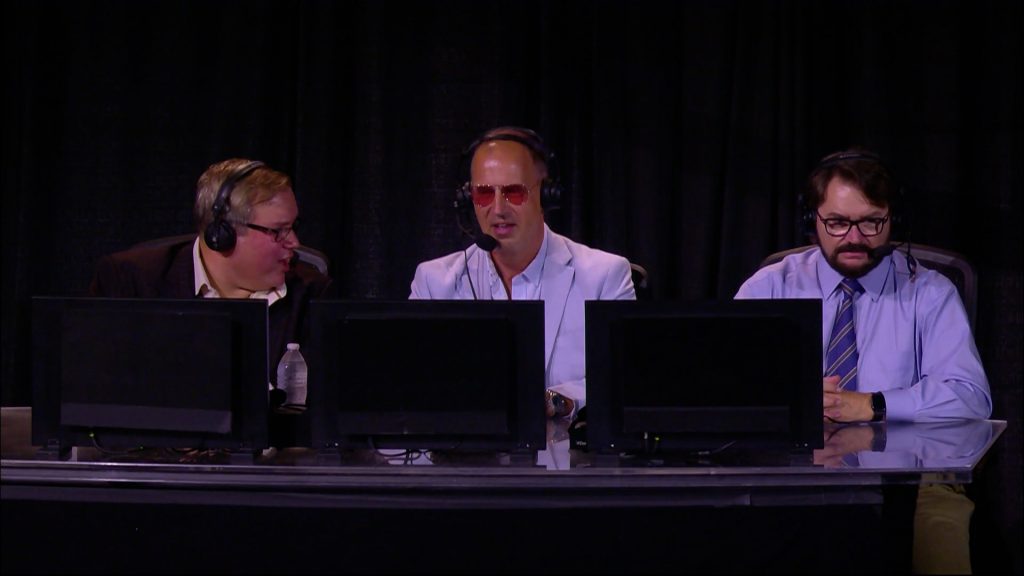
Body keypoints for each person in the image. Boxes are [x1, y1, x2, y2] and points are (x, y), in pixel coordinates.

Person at [735, 148, 992, 574]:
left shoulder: (929, 292)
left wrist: (873, 404)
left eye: (871, 222)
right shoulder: (771, 286)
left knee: (941, 530)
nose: (854, 237)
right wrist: (791, 400)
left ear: (894, 220)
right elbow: (725, 389)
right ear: (812, 220)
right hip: (787, 471)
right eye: (837, 222)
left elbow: (970, 397)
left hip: (914, 479)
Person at [89, 158, 334, 445]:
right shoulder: (130, 281)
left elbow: (321, 417)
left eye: (293, 226)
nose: (294, 242)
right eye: (278, 231)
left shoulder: (312, 294)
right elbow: (93, 397)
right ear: (222, 234)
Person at [410, 126, 635, 419]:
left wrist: (558, 401)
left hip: (570, 447)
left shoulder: (604, 276)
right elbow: (416, 384)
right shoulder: (434, 282)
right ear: (467, 199)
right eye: (484, 193)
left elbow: (621, 377)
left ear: (547, 195)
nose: (498, 209)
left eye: (514, 192)